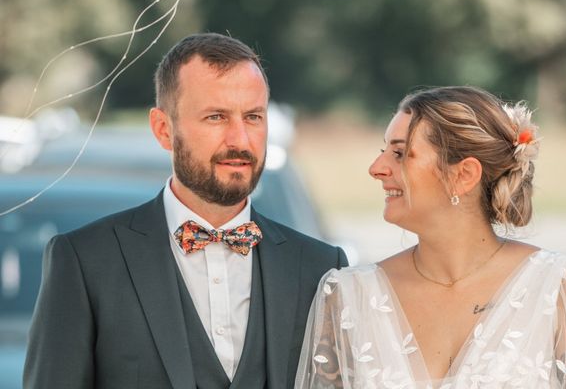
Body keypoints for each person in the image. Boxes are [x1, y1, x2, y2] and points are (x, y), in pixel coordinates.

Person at [24, 33, 348, 389]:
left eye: (253, 117)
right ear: (164, 129)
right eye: (216, 117)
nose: (239, 139)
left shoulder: (321, 269)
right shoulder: (85, 261)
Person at [296, 86, 566, 388]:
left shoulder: (561, 288)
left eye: (400, 153)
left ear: (464, 175)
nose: (377, 167)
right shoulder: (348, 297)